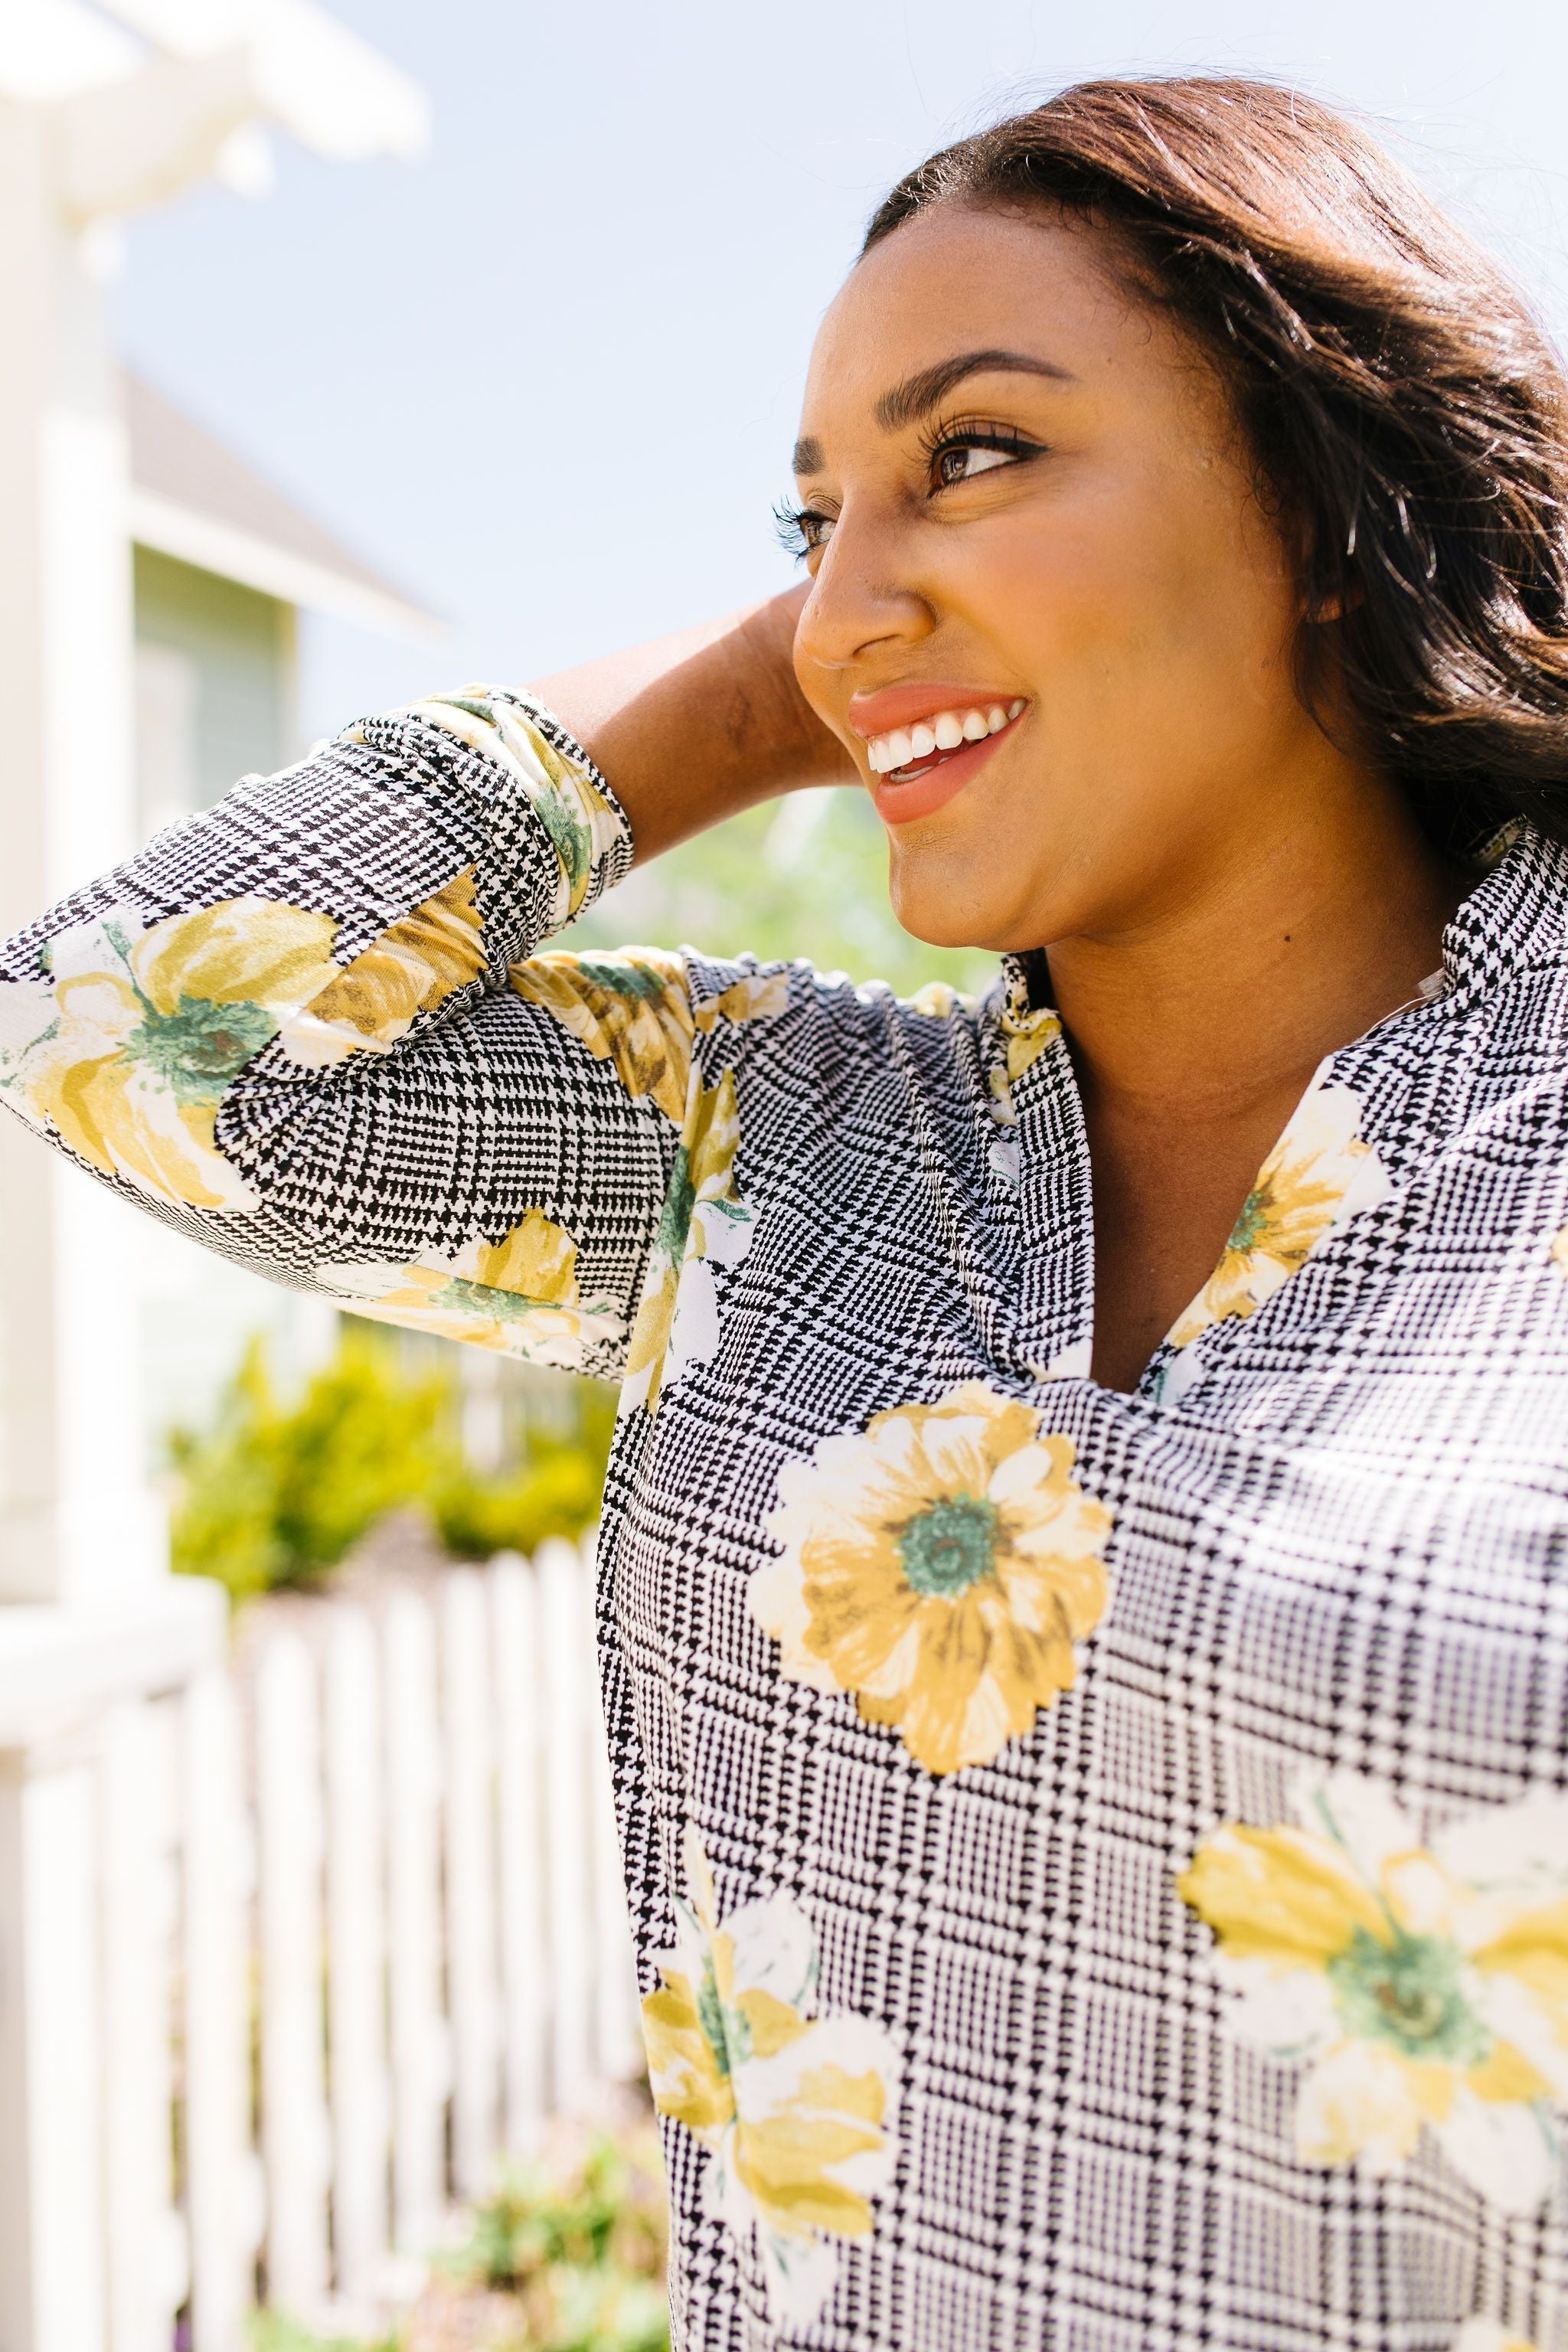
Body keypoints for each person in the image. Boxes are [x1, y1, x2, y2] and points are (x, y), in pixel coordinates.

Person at [3, 72, 1566, 2352]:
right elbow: (116, 1035)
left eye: (977, 451)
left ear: (1328, 503)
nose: (846, 591)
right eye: (807, 510)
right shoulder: (786, 1145)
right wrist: (798, 679)